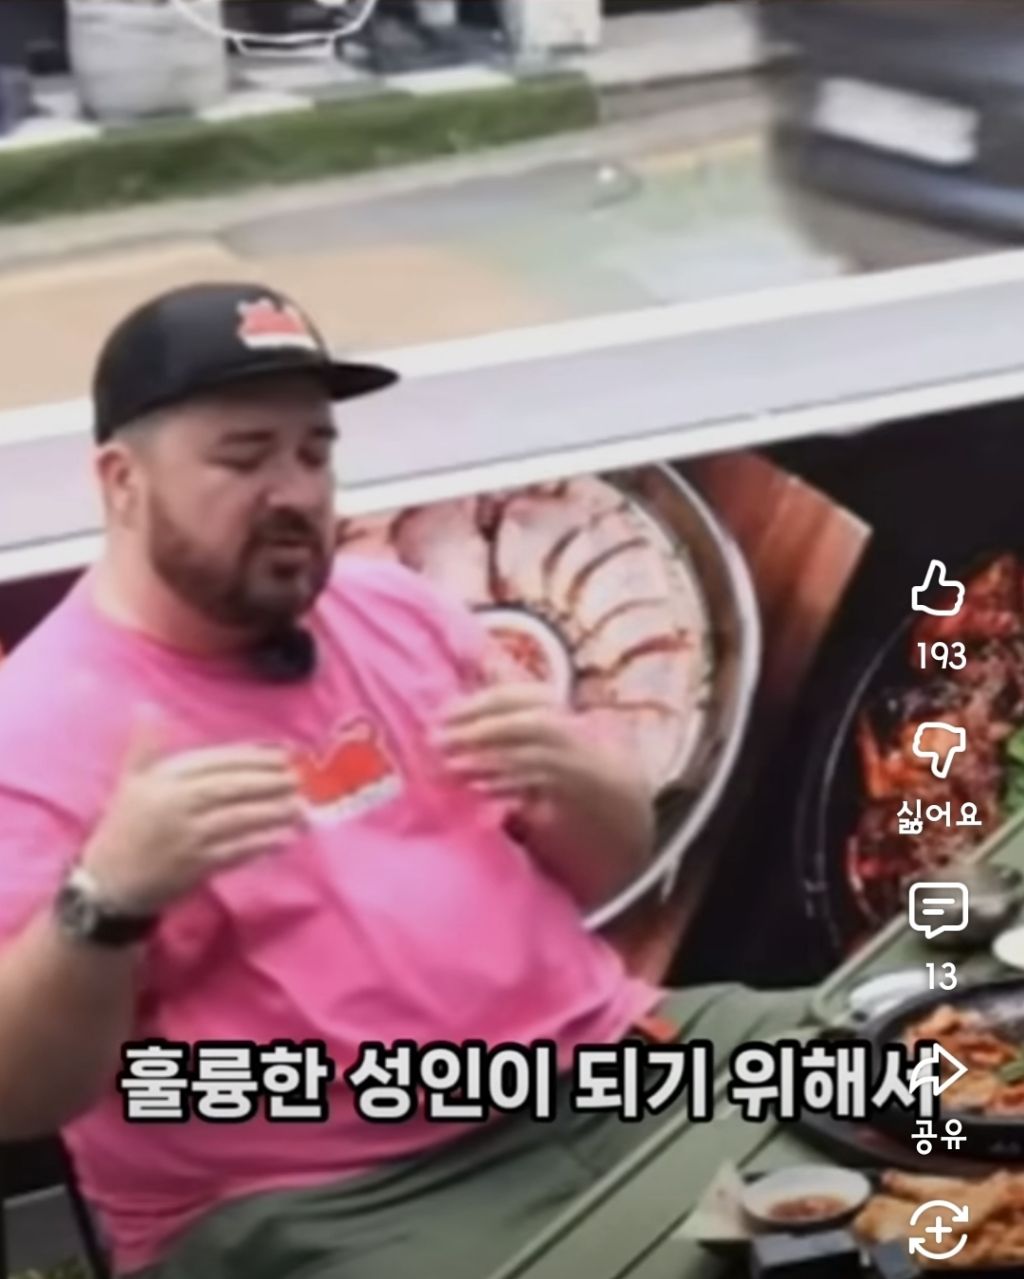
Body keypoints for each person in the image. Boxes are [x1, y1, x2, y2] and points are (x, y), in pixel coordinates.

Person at [0, 283, 810, 1279]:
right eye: (245, 457)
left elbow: (610, 869)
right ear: (121, 480)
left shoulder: (393, 606)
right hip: (329, 1196)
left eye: (314, 453)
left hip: (608, 1060)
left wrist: (580, 783)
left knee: (928, 1063)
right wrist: (105, 900)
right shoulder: (32, 730)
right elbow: (18, 1096)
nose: (294, 492)